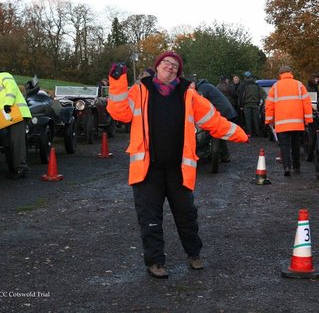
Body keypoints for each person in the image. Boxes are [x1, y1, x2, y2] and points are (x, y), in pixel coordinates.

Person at [106, 51, 248, 279]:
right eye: (166, 63)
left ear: (178, 73)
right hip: (147, 169)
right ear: (158, 66)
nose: (170, 67)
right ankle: (155, 262)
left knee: (187, 216)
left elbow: (212, 119)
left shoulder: (188, 94)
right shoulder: (140, 90)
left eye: (175, 66)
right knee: (150, 219)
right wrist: (116, 81)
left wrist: (239, 133)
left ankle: (194, 254)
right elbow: (119, 112)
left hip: (178, 169)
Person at [0, 69, 32, 179]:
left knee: (17, 143)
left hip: (17, 113)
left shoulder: (2, 76)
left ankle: (21, 169)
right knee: (9, 143)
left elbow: (11, 88)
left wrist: (8, 103)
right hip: (8, 116)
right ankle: (14, 168)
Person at [265, 66, 313, 176]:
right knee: (296, 145)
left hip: (281, 124)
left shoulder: (275, 87)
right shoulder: (299, 85)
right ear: (290, 73)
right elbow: (307, 103)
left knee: (284, 146)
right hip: (297, 123)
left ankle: (287, 167)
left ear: (280, 74)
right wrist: (308, 120)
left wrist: (269, 121)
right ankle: (296, 167)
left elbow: (269, 105)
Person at [192, 77, 238, 163]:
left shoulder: (202, 88)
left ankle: (221, 155)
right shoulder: (206, 86)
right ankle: (222, 155)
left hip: (223, 111)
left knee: (216, 133)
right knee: (219, 135)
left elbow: (199, 103)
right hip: (226, 110)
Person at [238, 71, 267, 137]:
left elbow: (240, 96)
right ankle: (257, 133)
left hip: (246, 105)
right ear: (251, 77)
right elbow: (263, 94)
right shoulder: (256, 85)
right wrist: (264, 102)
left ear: (245, 78)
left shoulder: (243, 85)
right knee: (256, 118)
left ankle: (249, 133)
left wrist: (240, 105)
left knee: (248, 119)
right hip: (256, 104)